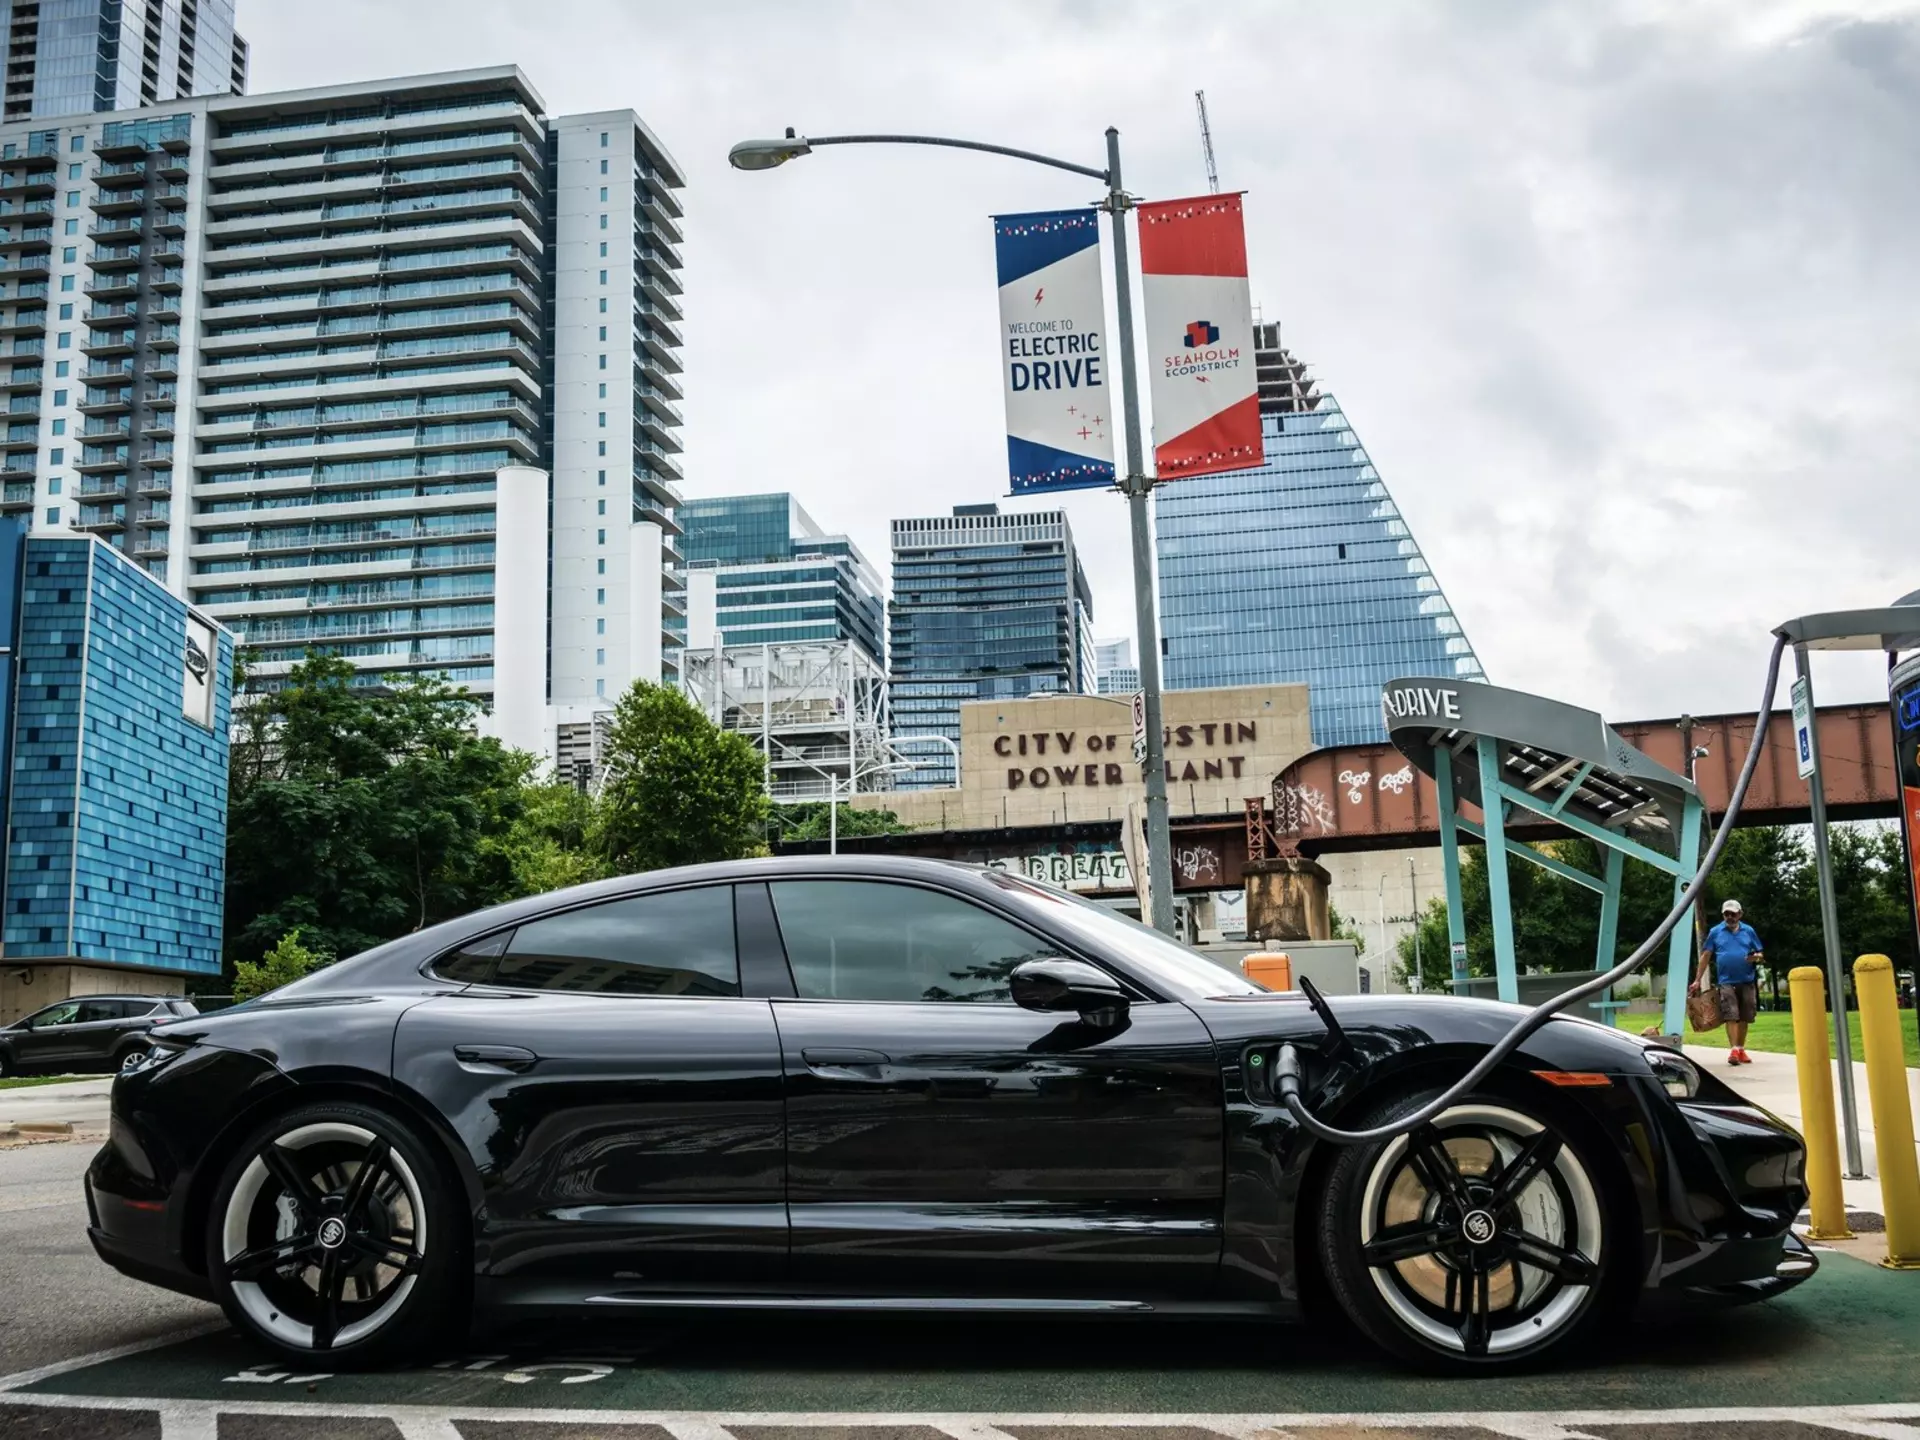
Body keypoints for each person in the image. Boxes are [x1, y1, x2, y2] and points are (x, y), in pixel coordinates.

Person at [1697, 899, 1764, 1065]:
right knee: (1731, 1015)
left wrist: (1756, 957)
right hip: (1726, 981)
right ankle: (1733, 1050)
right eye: (1726, 914)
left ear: (1740, 914)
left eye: (1733, 914)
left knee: (1744, 1016)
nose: (1730, 917)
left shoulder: (1749, 931)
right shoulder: (1715, 932)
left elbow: (1760, 953)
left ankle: (1740, 1049)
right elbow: (1706, 956)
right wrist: (1697, 980)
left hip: (1747, 980)